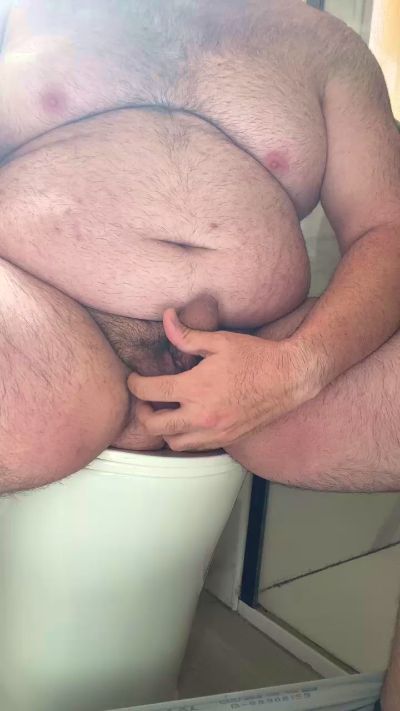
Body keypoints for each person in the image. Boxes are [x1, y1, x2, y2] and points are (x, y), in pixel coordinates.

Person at [0, 1, 399, 708]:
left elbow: (388, 229)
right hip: (31, 336)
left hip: (268, 372)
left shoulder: (323, 47)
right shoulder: (28, 20)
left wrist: (299, 368)